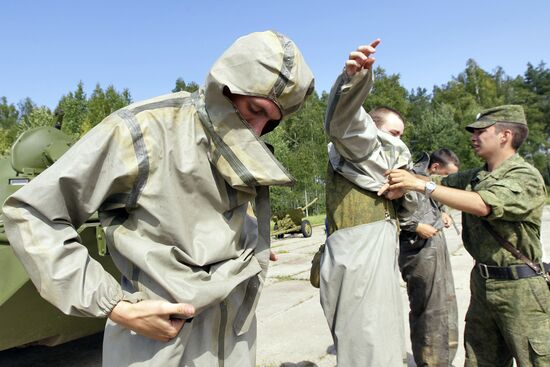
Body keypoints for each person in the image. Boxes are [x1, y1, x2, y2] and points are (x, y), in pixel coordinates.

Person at [2, 30, 314, 366]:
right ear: (226, 87)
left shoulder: (242, 145)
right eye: (254, 109)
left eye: (271, 122)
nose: (257, 129)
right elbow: (32, 212)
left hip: (235, 338)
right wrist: (116, 306)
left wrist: (250, 242)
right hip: (159, 341)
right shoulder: (142, 132)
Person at [383, 105, 550, 367]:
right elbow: (438, 183)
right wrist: (402, 179)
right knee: (480, 359)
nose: (473, 137)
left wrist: (419, 184)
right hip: (483, 285)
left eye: (480, 131)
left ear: (505, 135)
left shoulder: (525, 176)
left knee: (535, 360)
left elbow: (484, 204)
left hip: (521, 289)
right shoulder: (477, 175)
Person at [320, 39, 411, 367]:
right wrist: (353, 81)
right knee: (367, 348)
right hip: (360, 256)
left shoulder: (380, 167)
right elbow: (345, 123)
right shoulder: (362, 146)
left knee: (382, 343)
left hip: (374, 253)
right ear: (374, 129)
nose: (398, 141)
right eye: (394, 133)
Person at [396, 148, 460, 367]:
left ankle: (444, 360)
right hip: (418, 250)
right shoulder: (406, 177)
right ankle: (430, 362)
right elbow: (389, 211)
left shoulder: (429, 181)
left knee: (446, 305)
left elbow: (435, 201)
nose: (445, 181)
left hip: (437, 246)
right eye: (445, 175)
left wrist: (443, 212)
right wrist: (415, 226)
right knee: (428, 310)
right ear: (434, 168)